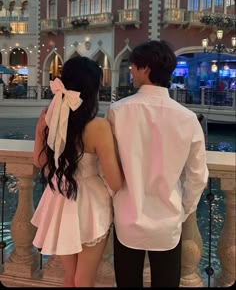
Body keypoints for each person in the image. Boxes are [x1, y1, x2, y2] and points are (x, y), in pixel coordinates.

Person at [106, 40, 209, 288]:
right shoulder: (187, 118)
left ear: (146, 69)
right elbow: (197, 175)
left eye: (134, 65)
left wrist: (117, 197)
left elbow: (106, 167)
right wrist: (183, 210)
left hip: (127, 217)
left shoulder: (117, 111)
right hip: (168, 221)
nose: (130, 69)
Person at [31, 56, 123, 287]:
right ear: (92, 89)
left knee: (71, 276)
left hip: (59, 198)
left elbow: (39, 160)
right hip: (90, 203)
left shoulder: (47, 118)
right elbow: (115, 181)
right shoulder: (98, 127)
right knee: (84, 279)